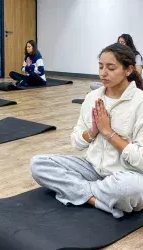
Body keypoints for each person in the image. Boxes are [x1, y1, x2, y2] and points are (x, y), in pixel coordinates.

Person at [30, 43, 143, 218]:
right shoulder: (92, 98)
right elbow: (76, 141)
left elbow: (141, 160)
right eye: (100, 66)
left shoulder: (140, 102)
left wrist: (108, 133)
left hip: (126, 173)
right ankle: (95, 199)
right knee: (38, 164)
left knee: (130, 188)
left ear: (128, 70)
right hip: (92, 169)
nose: (103, 73)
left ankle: (77, 191)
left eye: (111, 68)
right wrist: (93, 131)